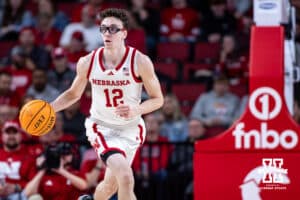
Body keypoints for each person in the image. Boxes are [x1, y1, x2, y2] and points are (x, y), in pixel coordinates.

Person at [50, 8, 164, 200]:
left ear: (124, 33)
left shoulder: (140, 61)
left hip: (131, 128)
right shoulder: (88, 61)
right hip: (102, 127)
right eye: (104, 29)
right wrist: (49, 108)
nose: (107, 33)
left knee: (111, 185)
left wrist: (138, 108)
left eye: (113, 29)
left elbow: (158, 99)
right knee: (126, 178)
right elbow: (73, 94)